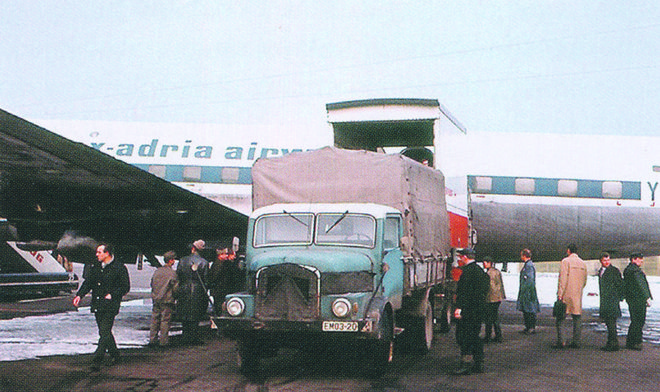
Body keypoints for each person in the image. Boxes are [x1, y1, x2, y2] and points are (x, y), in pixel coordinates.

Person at [72, 243, 130, 371]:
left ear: (107, 253)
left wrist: (113, 294)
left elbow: (125, 286)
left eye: (99, 252)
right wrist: (79, 295)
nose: (96, 254)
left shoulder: (119, 268)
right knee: (104, 332)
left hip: (110, 305)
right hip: (98, 304)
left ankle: (97, 360)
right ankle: (115, 355)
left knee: (104, 333)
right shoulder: (96, 267)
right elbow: (88, 283)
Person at [453, 248, 490, 375]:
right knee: (475, 336)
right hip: (478, 311)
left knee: (464, 337)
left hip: (468, 311)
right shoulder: (480, 271)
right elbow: (484, 290)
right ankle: (478, 363)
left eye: (460, 257)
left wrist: (459, 308)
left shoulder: (467, 272)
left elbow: (464, 293)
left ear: (465, 257)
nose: (459, 259)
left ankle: (466, 364)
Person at [176, 239, 210, 344]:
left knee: (184, 313)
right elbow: (205, 279)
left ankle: (184, 336)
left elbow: (179, 274)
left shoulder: (182, 260)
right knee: (195, 315)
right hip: (198, 290)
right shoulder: (204, 262)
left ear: (192, 248)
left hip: (184, 289)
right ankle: (193, 337)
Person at [555, 243, 587, 348]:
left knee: (561, 319)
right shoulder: (582, 263)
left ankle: (562, 341)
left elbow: (563, 279)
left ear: (568, 251)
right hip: (577, 295)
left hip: (566, 294)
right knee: (577, 318)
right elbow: (584, 280)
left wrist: (560, 294)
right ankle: (576, 341)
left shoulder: (565, 261)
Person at [149, 250, 179, 348]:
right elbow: (175, 288)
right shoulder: (172, 273)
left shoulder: (157, 271)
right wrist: (175, 297)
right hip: (167, 300)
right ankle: (163, 341)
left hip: (156, 299)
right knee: (165, 320)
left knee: (155, 319)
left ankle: (152, 339)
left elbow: (152, 284)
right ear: (171, 260)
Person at [623, 252, 653, 350]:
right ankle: (636, 342)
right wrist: (647, 297)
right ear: (634, 259)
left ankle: (631, 342)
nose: (641, 261)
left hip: (631, 299)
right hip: (638, 299)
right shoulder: (635, 271)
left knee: (634, 320)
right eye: (639, 259)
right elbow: (641, 285)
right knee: (639, 321)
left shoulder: (628, 270)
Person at [598, 252, 624, 351]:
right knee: (609, 323)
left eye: (608, 260)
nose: (607, 262)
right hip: (605, 301)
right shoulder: (601, 271)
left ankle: (613, 344)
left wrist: (619, 297)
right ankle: (611, 342)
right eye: (605, 260)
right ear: (601, 261)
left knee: (611, 323)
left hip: (612, 301)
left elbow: (620, 284)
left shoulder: (614, 271)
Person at [516, 249, 540, 334]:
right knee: (526, 310)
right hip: (527, 291)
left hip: (528, 292)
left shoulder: (529, 266)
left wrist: (527, 291)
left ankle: (531, 327)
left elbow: (530, 279)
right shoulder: (527, 265)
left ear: (524, 256)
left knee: (529, 310)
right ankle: (528, 327)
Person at [483, 257, 505, 343]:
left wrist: (484, 296)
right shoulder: (497, 271)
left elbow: (490, 287)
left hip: (491, 298)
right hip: (498, 298)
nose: (484, 264)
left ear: (489, 263)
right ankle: (498, 336)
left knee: (489, 318)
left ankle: (488, 336)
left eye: (485, 262)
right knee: (495, 317)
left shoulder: (489, 273)